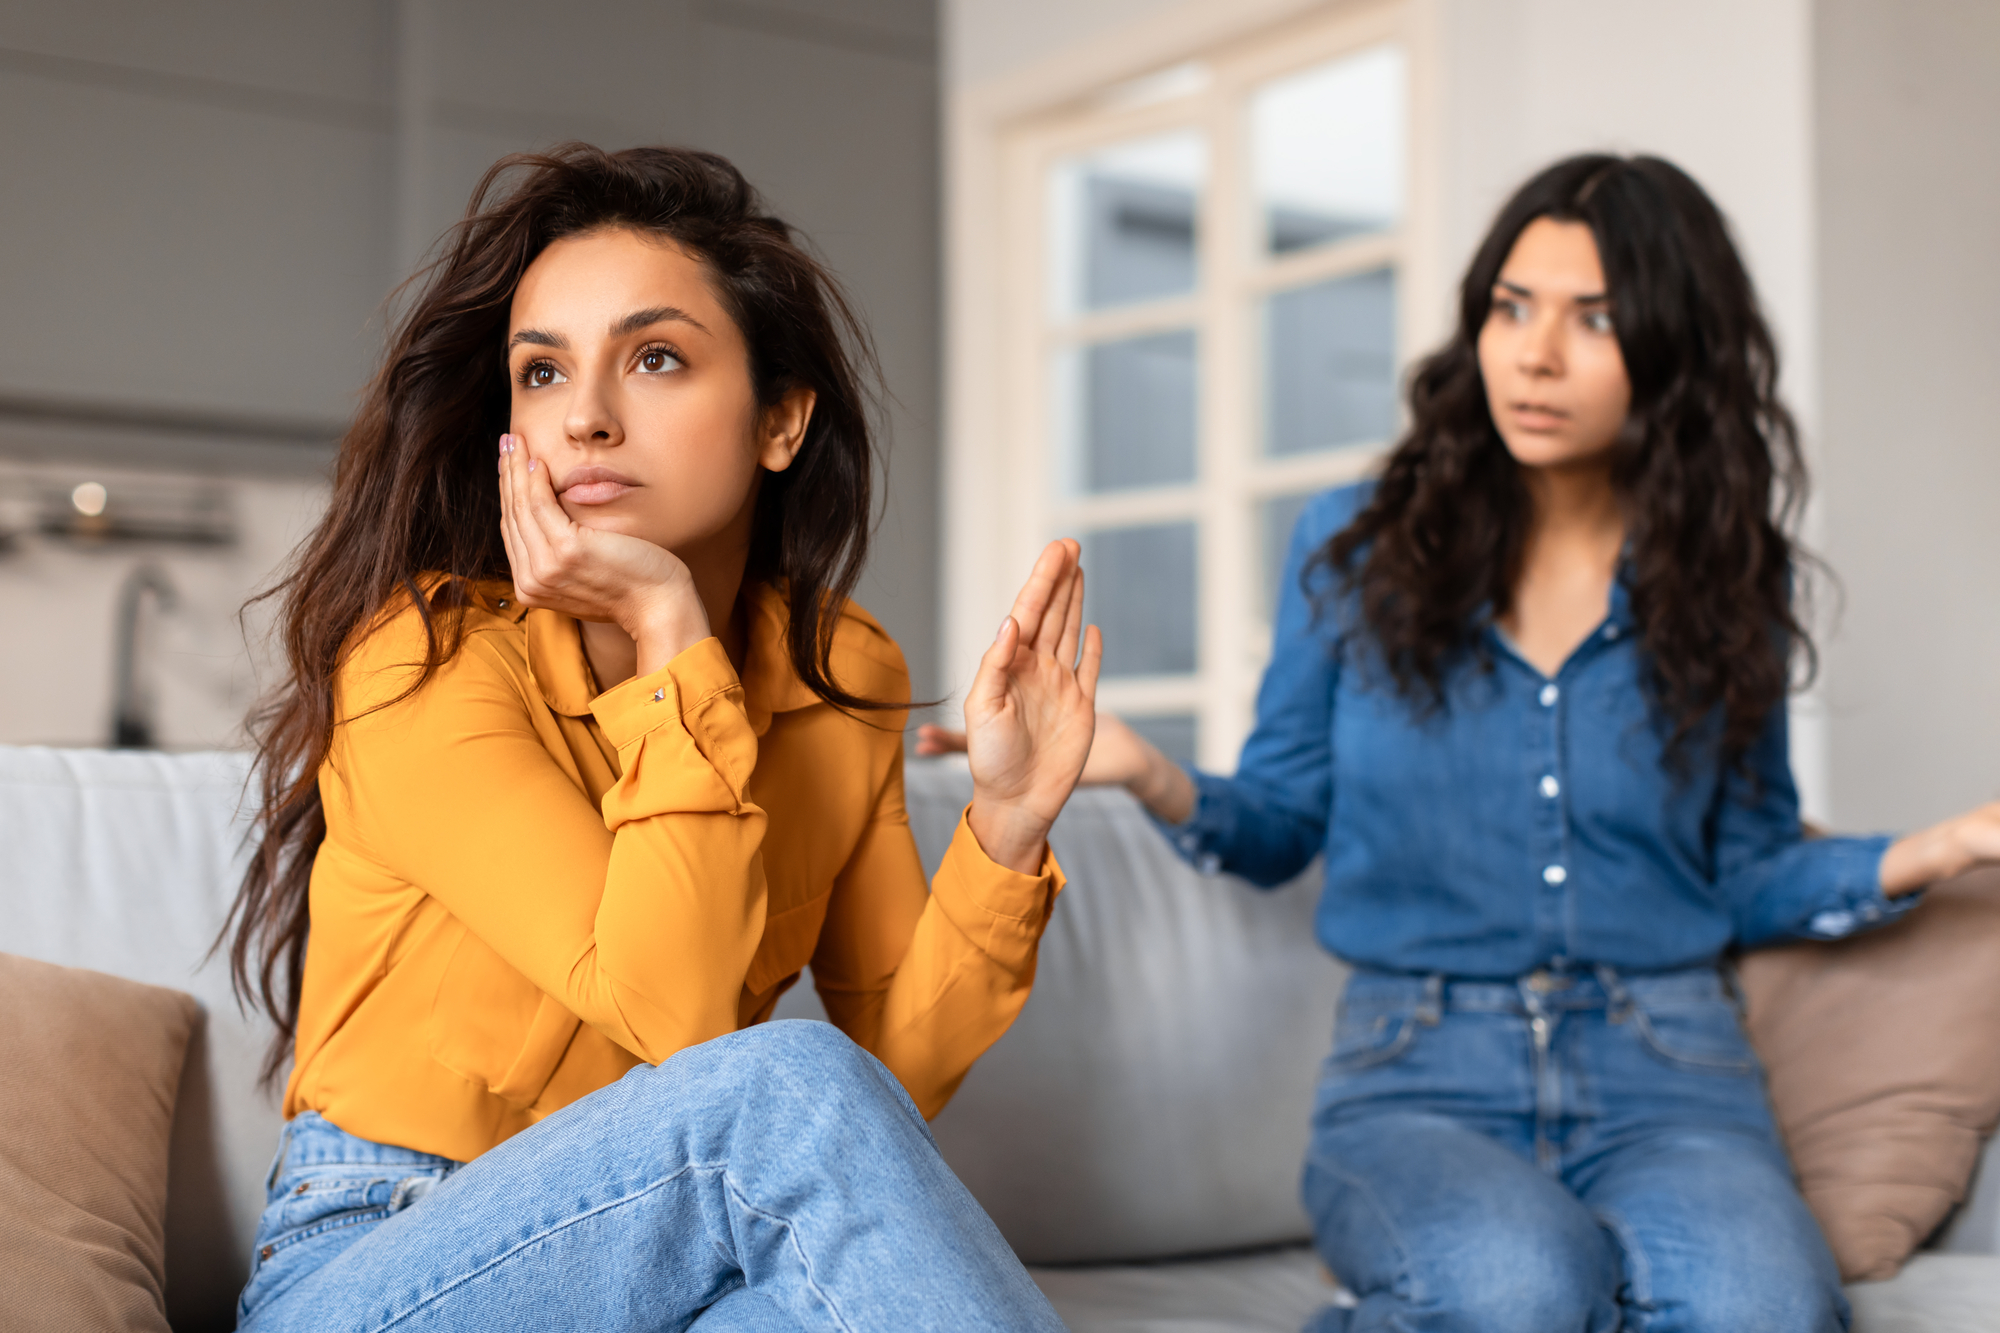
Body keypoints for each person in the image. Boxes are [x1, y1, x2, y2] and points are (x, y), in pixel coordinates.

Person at [922, 153, 2000, 1331]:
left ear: (1672, 346)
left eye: (1592, 318)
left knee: (1769, 1310)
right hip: (1419, 1075)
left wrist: (1941, 845)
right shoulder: (1354, 547)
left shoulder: (1731, 576)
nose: (1533, 354)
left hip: (1672, 1075)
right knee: (1516, 1292)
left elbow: (1742, 869)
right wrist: (1148, 772)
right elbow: (1281, 823)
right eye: (1509, 306)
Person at [222, 143, 1099, 1332]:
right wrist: (665, 628)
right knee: (781, 1083)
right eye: (539, 374)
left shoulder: (843, 672)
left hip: (681, 1268)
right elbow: (681, 1025)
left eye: (654, 359)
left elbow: (881, 1087)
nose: (583, 416)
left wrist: (1006, 819)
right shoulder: (418, 663)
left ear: (780, 420)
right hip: (385, 1257)